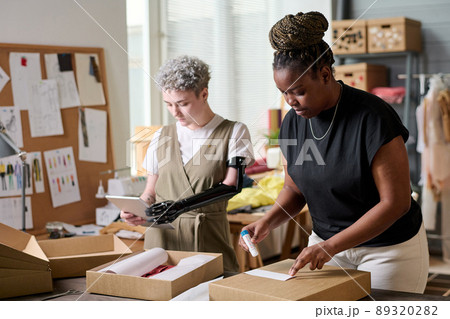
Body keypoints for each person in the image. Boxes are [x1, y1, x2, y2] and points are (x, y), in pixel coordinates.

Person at [239, 11, 429, 293]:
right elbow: (294, 190)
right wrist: (267, 222)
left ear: (325, 74)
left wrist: (331, 247)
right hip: (327, 245)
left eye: (298, 91)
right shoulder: (292, 122)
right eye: (283, 92)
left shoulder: (373, 117)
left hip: (387, 250)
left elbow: (396, 203)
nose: (290, 101)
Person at [121, 55, 254, 272]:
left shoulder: (234, 132)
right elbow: (150, 193)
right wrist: (137, 210)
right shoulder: (161, 136)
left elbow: (232, 185)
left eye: (183, 104)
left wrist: (181, 206)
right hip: (161, 242)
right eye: (169, 104)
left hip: (206, 238)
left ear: (204, 94)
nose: (175, 112)